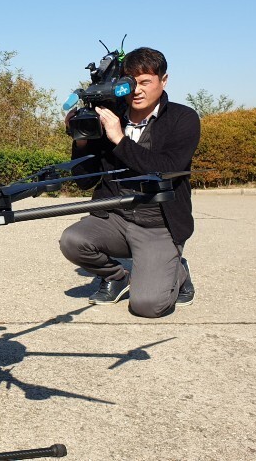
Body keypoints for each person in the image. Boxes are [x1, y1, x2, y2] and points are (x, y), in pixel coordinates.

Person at [59, 47, 200, 318]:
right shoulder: (109, 117)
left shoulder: (183, 118)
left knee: (147, 306)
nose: (136, 90)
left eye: (145, 82)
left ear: (164, 80)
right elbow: (84, 181)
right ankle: (117, 276)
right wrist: (81, 139)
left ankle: (178, 271)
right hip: (115, 217)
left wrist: (120, 140)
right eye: (129, 83)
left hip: (159, 224)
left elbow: (167, 168)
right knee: (72, 240)